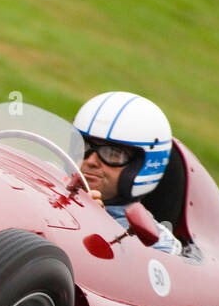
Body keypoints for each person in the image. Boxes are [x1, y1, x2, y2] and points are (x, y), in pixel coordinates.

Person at [73, 91, 183, 256]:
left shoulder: (158, 244)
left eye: (112, 153)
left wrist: (96, 223)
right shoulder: (48, 182)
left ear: (142, 165)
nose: (90, 161)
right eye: (85, 146)